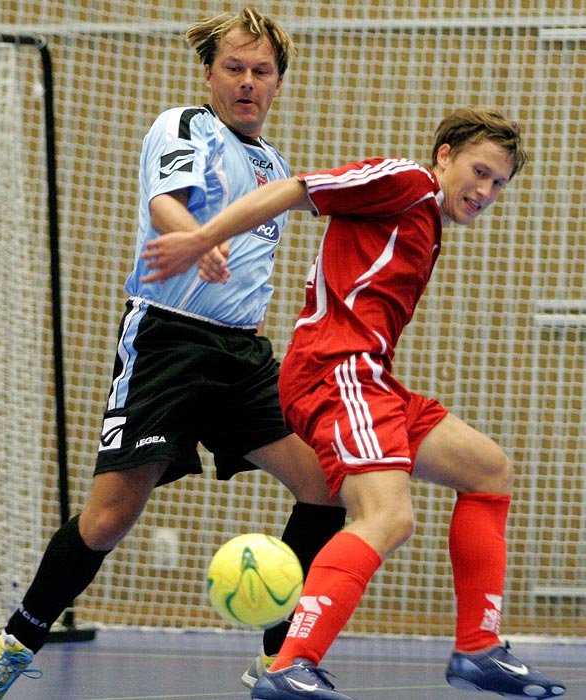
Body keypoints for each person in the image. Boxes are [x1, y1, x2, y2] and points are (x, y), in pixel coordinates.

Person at [141, 107, 567, 700]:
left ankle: (478, 646)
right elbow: (294, 190)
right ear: (444, 154)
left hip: (372, 379)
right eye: (479, 171)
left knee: (487, 468)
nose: (486, 190)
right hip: (334, 373)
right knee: (387, 517)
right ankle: (291, 663)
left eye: (499, 183)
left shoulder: (427, 214)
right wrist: (202, 238)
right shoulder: (405, 181)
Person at [0, 7, 347, 697]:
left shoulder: (273, 163)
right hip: (169, 341)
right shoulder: (187, 126)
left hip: (242, 358)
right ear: (209, 73)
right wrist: (198, 238)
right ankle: (15, 641)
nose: (247, 82)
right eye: (233, 68)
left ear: (278, 83)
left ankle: (281, 658)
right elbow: (166, 203)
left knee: (326, 486)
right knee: (107, 520)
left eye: (261, 71)